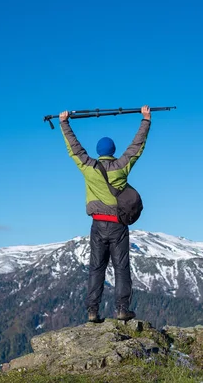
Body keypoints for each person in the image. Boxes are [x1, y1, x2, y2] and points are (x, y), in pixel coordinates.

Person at [59, 105, 152, 323]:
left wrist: (64, 123)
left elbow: (75, 149)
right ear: (112, 151)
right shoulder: (121, 166)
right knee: (121, 269)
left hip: (98, 225)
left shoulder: (89, 168)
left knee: (96, 268)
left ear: (100, 152)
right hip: (119, 226)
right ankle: (121, 309)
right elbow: (136, 147)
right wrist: (145, 120)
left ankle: (92, 311)